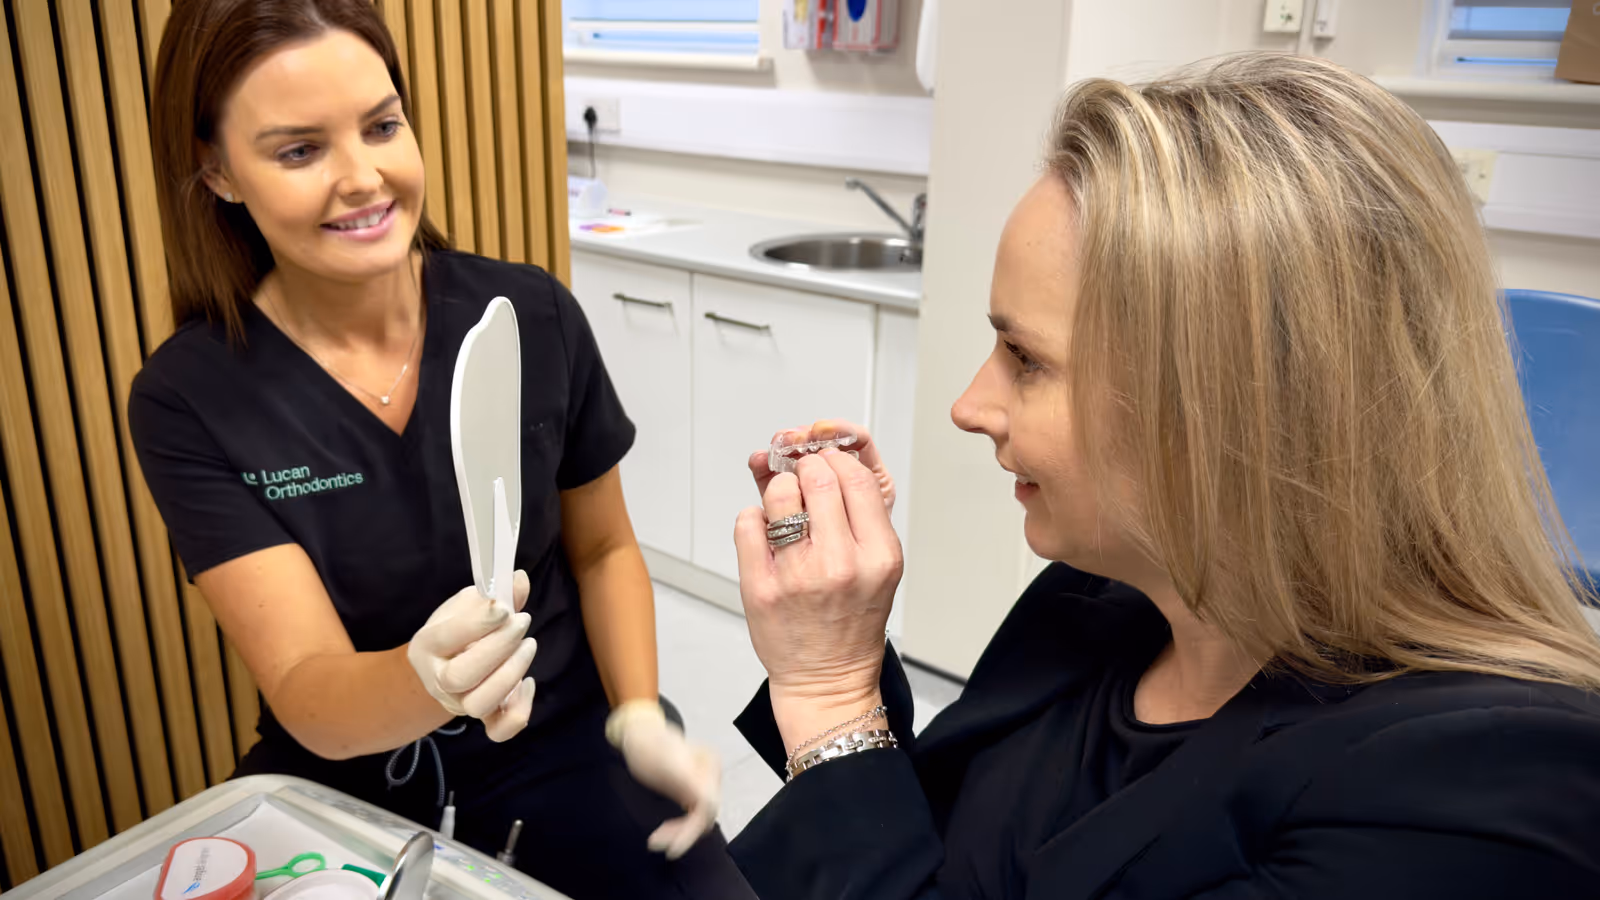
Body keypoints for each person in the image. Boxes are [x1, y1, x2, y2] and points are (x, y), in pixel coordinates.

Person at [724, 53, 1600, 899]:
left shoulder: (1479, 791)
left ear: (1233, 405)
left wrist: (830, 701)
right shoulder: (1109, 597)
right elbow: (937, 832)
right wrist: (845, 643)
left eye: (1025, 358)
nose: (969, 404)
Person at [128, 2, 754, 897]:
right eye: (300, 150)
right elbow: (305, 686)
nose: (364, 177)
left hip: (570, 744)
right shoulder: (191, 398)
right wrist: (429, 682)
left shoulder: (531, 316)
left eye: (383, 126)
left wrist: (641, 716)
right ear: (218, 172)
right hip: (353, 784)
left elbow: (607, 549)